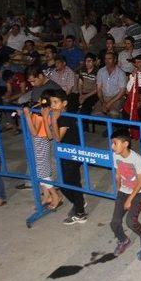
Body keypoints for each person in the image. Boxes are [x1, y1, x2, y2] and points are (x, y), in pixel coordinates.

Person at [48, 89, 88, 224]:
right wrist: (51, 120)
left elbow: (57, 138)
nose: (52, 105)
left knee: (72, 183)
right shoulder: (59, 116)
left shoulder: (65, 117)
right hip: (64, 155)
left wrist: (53, 120)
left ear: (64, 103)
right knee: (64, 184)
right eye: (51, 102)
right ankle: (79, 203)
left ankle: (81, 213)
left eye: (55, 102)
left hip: (72, 155)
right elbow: (49, 136)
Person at [110, 130, 141, 256]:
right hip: (123, 191)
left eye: (115, 143)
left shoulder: (137, 159)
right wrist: (118, 188)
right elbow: (118, 174)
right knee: (114, 223)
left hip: (138, 192)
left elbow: (140, 182)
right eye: (112, 143)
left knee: (130, 221)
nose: (112, 146)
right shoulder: (115, 155)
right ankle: (123, 240)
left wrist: (129, 199)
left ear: (125, 144)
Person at [22, 91, 61, 210]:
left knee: (42, 173)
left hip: (41, 142)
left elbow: (34, 132)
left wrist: (27, 116)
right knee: (42, 171)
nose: (38, 102)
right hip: (40, 142)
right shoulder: (40, 111)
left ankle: (55, 196)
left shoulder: (44, 114)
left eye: (40, 100)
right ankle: (46, 196)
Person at [95, 52, 127, 118]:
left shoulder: (120, 73)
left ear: (115, 60)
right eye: (106, 59)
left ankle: (115, 128)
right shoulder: (101, 71)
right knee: (95, 115)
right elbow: (98, 89)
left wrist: (109, 103)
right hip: (103, 97)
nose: (107, 61)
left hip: (117, 98)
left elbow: (122, 92)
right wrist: (102, 102)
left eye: (109, 59)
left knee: (113, 114)